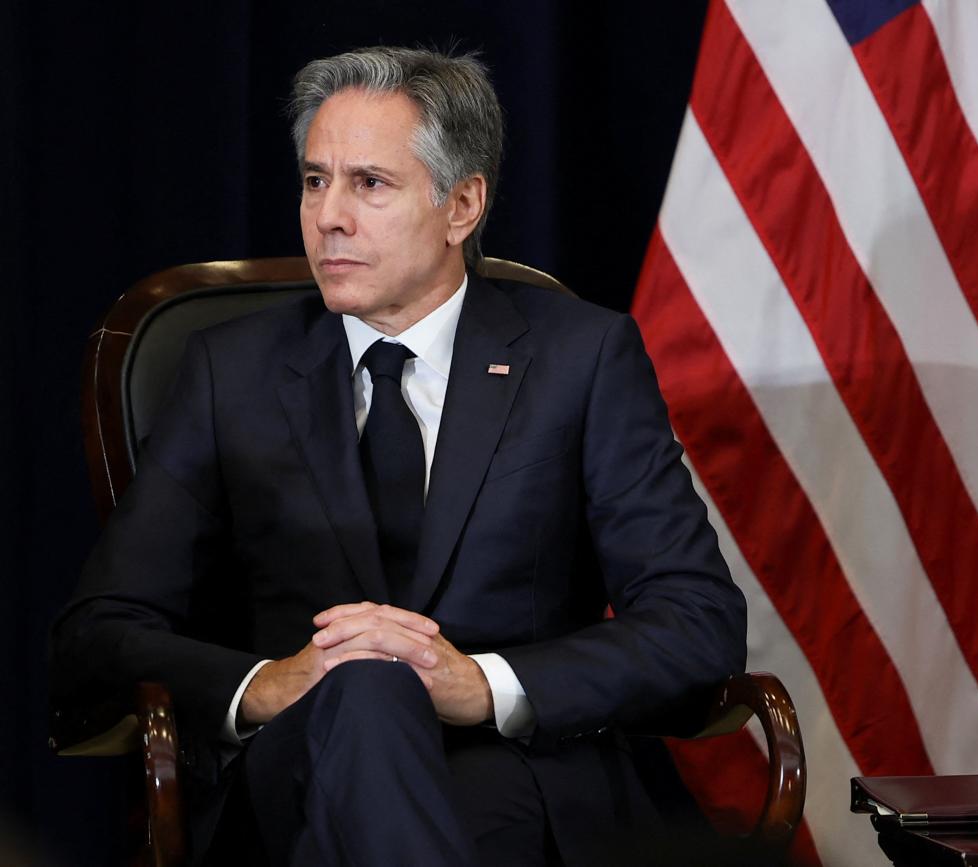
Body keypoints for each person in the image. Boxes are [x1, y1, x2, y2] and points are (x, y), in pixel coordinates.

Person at [52, 46, 746, 866]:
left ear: (462, 205)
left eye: (368, 184)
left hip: (519, 771)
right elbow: (98, 631)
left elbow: (698, 621)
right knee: (370, 692)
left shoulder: (579, 359)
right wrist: (269, 682)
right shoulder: (227, 373)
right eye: (315, 180)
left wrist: (481, 683)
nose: (328, 217)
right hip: (297, 770)